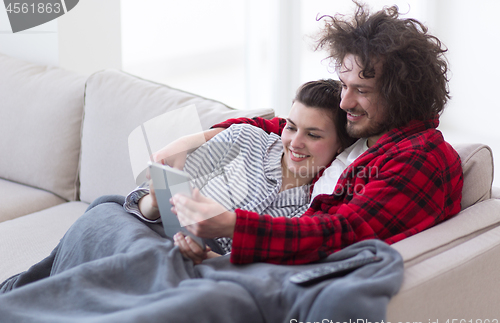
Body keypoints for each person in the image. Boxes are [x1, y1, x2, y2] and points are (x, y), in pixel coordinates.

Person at [167, 1, 463, 265]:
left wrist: (233, 226)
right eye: (344, 85)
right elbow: (285, 126)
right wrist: (193, 140)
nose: (344, 101)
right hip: (265, 259)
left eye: (361, 90)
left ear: (400, 94)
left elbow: (342, 233)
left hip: (297, 278)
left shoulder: (419, 159)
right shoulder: (369, 131)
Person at [124, 79, 355, 263]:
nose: (295, 142)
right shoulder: (244, 139)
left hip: (199, 267)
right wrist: (155, 202)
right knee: (105, 218)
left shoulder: (315, 209)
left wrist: (205, 257)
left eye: (313, 135)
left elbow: (266, 271)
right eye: (291, 127)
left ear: (340, 145)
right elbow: (142, 202)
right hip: (150, 229)